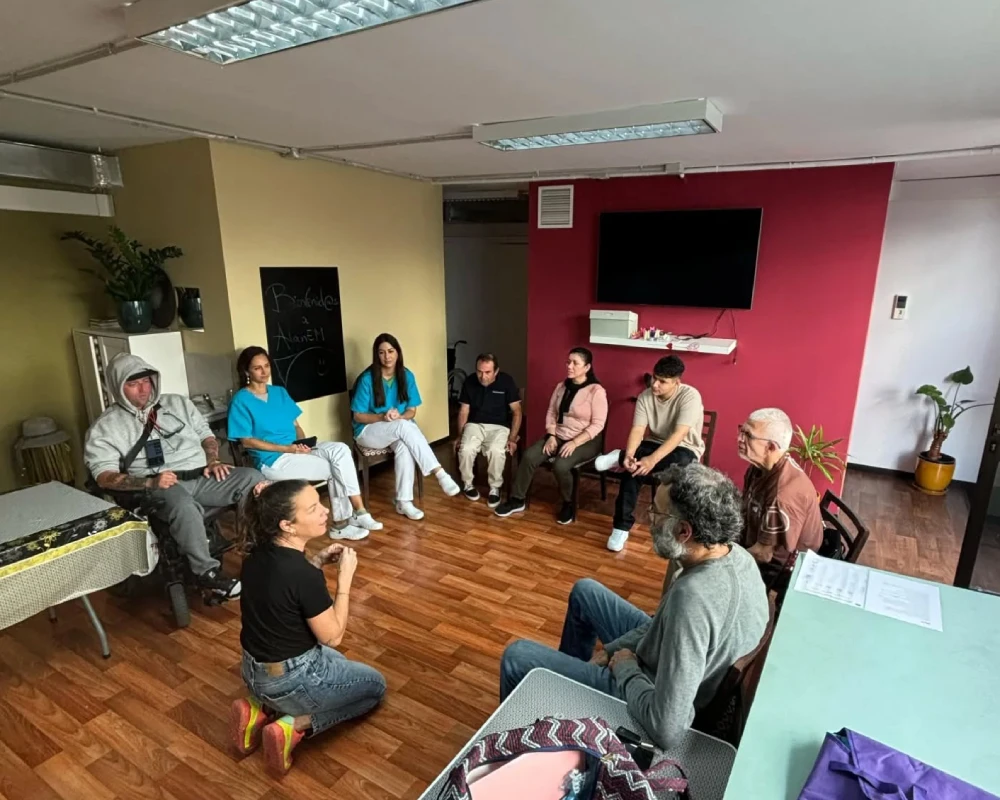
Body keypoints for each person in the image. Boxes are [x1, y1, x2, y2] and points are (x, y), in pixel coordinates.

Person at [499, 463, 768, 750]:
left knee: (517, 656)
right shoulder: (736, 555)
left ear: (684, 531)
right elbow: (659, 626)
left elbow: (667, 729)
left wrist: (625, 667)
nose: (649, 519)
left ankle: (516, 747)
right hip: (662, 660)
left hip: (646, 697)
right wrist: (611, 651)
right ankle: (566, 699)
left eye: (657, 513)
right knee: (585, 591)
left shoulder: (693, 598)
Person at [230, 480, 386, 778]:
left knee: (337, 661)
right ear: (287, 525)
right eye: (313, 508)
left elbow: (286, 595)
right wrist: (345, 580)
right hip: (291, 678)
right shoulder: (301, 575)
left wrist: (316, 561)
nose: (325, 511)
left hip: (253, 670)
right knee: (374, 688)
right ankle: (294, 725)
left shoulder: (257, 554)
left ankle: (259, 707)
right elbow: (333, 636)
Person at [84, 353, 264, 598]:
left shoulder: (177, 403)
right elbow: (103, 476)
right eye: (133, 384)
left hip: (202, 475)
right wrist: (150, 482)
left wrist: (213, 460)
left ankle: (256, 552)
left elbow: (206, 436)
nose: (143, 389)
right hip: (161, 484)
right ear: (118, 387)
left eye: (146, 381)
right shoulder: (105, 427)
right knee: (181, 503)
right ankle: (207, 574)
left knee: (253, 478)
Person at [228, 346, 381, 541]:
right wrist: (288, 449)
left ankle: (359, 512)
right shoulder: (241, 400)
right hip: (273, 460)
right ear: (246, 371)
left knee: (340, 449)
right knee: (335, 468)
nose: (264, 372)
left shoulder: (279, 392)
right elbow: (247, 441)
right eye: (257, 368)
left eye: (266, 366)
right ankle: (342, 524)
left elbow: (296, 426)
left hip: (295, 449)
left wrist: (302, 444)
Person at [594, 355, 705, 552]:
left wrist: (651, 461)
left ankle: (618, 456)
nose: (655, 385)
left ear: (677, 382)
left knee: (681, 461)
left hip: (685, 447)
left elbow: (679, 435)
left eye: (662, 381)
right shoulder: (645, 396)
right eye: (654, 378)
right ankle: (621, 527)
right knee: (632, 469)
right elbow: (638, 429)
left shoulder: (690, 396)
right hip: (652, 444)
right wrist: (630, 454)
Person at [350, 333, 460, 520]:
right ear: (376, 355)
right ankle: (439, 473)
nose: (387, 356)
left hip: (396, 428)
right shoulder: (367, 379)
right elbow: (358, 416)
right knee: (403, 426)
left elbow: (411, 411)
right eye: (382, 352)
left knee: (404, 445)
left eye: (391, 351)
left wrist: (399, 416)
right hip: (368, 431)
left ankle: (404, 502)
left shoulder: (406, 376)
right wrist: (382, 416)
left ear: (398, 352)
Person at [494, 347, 607, 525]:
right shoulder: (561, 387)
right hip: (559, 435)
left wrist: (575, 442)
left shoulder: (596, 391)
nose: (569, 366)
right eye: (568, 362)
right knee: (529, 456)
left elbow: (598, 425)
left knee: (561, 465)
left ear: (587, 367)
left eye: (575, 363)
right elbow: (551, 413)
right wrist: (551, 435)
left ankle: (569, 502)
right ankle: (517, 499)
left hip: (586, 440)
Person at [738, 408, 824, 584]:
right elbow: (744, 510)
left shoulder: (783, 495)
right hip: (753, 544)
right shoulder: (759, 468)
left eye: (748, 435)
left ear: (771, 447)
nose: (739, 438)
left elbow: (764, 555)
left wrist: (722, 556)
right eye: (741, 430)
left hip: (781, 569)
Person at [455, 353, 522, 508]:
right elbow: (464, 411)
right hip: (475, 424)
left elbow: (517, 412)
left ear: (496, 371)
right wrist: (460, 436)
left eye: (487, 372)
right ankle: (468, 484)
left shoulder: (506, 381)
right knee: (466, 449)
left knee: (496, 451)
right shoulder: (470, 381)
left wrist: (512, 438)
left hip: (500, 426)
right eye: (479, 371)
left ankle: (495, 487)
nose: (483, 376)